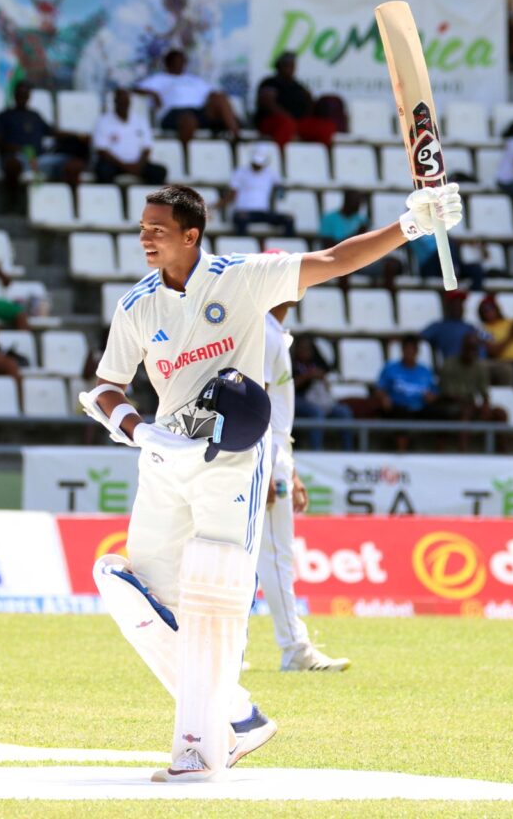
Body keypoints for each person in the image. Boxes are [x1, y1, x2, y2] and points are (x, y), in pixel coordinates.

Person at [82, 181, 461, 782]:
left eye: (159, 229)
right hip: (163, 457)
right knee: (130, 590)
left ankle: (201, 746)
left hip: (232, 455)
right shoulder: (137, 305)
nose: (146, 238)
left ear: (191, 234)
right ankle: (237, 714)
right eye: (143, 228)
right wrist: (139, 430)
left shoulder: (241, 277)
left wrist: (410, 226)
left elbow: (334, 260)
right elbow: (106, 386)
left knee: (216, 594)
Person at [258, 299, 350, 672]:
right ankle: (295, 649)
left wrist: (289, 469)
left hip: (271, 456)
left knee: (251, 559)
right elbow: (255, 406)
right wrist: (265, 466)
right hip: (263, 458)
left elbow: (275, 415)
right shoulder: (264, 333)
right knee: (276, 557)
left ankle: (232, 654)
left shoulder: (272, 331)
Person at [0, 81, 85, 204]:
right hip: (18, 158)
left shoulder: (35, 116)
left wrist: (77, 135)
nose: (22, 97)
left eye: (25, 94)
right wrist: (19, 149)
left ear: (29, 96)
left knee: (74, 164)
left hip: (40, 159)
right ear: (14, 95)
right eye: (20, 93)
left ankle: (72, 204)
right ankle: (12, 203)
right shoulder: (3, 116)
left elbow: (52, 132)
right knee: (12, 165)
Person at [136, 49, 241, 146]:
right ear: (168, 63)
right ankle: (186, 153)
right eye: (176, 61)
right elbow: (136, 89)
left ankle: (236, 138)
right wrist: (154, 94)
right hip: (173, 113)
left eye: (182, 61)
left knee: (219, 97)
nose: (180, 64)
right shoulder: (159, 78)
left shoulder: (193, 79)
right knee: (189, 119)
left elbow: (212, 92)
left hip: (197, 112)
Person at [438, 332, 509, 452]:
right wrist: (469, 405)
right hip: (451, 406)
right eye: (468, 348)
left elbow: (484, 392)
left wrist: (485, 405)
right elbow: (447, 393)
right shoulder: (450, 364)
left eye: (474, 349)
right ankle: (463, 452)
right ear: (462, 348)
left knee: (500, 413)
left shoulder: (479, 367)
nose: (471, 352)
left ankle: (504, 452)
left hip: (471, 405)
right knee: (466, 412)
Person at [254, 51, 337, 148]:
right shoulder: (270, 82)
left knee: (326, 127)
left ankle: (318, 155)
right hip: (275, 121)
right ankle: (278, 154)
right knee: (286, 125)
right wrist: (287, 116)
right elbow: (268, 103)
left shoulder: (298, 86)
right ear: (279, 66)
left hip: (298, 122)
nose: (290, 67)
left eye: (292, 65)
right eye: (286, 64)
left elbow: (310, 104)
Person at [291, 334, 353, 451]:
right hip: (298, 398)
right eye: (302, 348)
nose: (305, 351)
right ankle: (316, 451)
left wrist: (322, 377)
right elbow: (288, 387)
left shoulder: (317, 361)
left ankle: (348, 451)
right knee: (317, 413)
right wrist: (306, 376)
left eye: (308, 348)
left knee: (344, 412)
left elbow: (328, 383)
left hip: (318, 399)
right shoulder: (291, 363)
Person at [92, 89, 167, 185]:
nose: (124, 104)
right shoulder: (103, 121)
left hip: (137, 164)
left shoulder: (140, 120)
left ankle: (148, 195)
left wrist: (139, 165)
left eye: (126, 101)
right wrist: (125, 166)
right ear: (115, 102)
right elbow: (101, 151)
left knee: (159, 172)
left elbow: (147, 148)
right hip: (115, 165)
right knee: (103, 170)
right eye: (121, 101)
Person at [218, 145, 294, 237]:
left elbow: (280, 188)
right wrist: (218, 205)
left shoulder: (271, 174)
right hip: (244, 211)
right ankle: (243, 244)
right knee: (242, 218)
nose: (257, 166)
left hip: (263, 212)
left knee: (289, 219)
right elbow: (232, 194)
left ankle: (286, 245)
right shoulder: (240, 172)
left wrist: (280, 192)